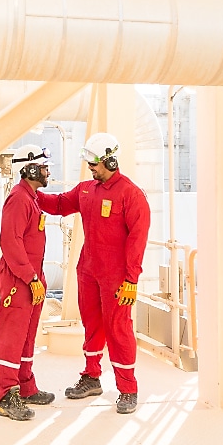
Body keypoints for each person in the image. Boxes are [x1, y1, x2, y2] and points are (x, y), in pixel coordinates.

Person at [37, 132, 151, 415]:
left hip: (117, 278)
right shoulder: (86, 189)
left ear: (111, 161)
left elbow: (138, 241)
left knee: (118, 330)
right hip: (87, 271)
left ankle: (128, 389)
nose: (91, 168)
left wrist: (131, 281)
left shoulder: (131, 195)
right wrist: (31, 192)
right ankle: (91, 377)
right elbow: (60, 204)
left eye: (95, 164)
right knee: (91, 325)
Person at [0, 145, 56, 421]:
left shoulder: (33, 198)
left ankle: (26, 386)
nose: (47, 171)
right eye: (43, 167)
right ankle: (7, 395)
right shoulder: (19, 199)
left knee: (28, 335)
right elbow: (10, 242)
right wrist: (30, 278)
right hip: (20, 279)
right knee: (12, 337)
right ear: (29, 168)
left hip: (32, 277)